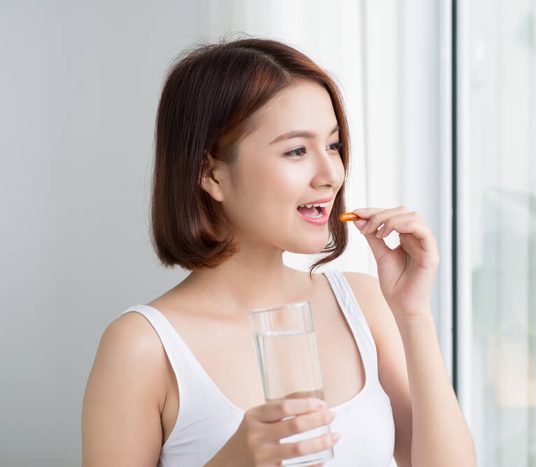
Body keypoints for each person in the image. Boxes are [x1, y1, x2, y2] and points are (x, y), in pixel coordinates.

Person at [82, 38, 476, 467]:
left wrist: (414, 315)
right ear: (210, 173)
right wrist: (231, 461)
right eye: (296, 151)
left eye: (333, 145)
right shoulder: (143, 346)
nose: (331, 175)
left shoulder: (363, 303)